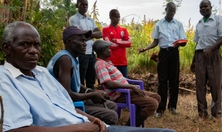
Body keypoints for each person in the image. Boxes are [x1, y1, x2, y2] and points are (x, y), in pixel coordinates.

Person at [0, 20, 176, 132]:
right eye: (25, 45)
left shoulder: (42, 73)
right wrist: (80, 126)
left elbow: (65, 103)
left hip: (88, 125)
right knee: (112, 110)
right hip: (76, 128)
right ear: (6, 48)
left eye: (37, 46)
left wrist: (92, 119)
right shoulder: (5, 79)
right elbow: (17, 128)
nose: (33, 51)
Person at [47, 26, 118, 125]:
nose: (85, 44)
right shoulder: (65, 59)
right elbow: (66, 94)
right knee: (111, 115)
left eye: (85, 41)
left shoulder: (71, 57)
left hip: (70, 100)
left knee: (111, 105)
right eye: (82, 40)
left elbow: (74, 84)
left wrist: (90, 91)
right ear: (70, 42)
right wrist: (92, 95)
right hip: (63, 105)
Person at [93, 40, 161, 127]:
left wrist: (132, 84)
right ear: (103, 51)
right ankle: (129, 127)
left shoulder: (107, 62)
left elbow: (120, 78)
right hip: (119, 94)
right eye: (108, 49)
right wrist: (131, 86)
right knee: (152, 104)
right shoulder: (100, 64)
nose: (110, 50)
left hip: (126, 91)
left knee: (156, 97)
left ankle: (136, 117)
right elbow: (108, 84)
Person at [139, 2, 187, 118]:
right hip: (163, 53)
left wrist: (182, 43)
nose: (172, 13)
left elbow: (183, 40)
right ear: (166, 9)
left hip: (174, 53)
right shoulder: (159, 25)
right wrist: (145, 48)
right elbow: (155, 42)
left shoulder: (178, 24)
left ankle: (172, 107)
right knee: (162, 81)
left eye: (174, 11)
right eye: (170, 10)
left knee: (174, 80)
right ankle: (160, 109)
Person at [190, 0, 222, 120]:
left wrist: (211, 48)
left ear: (211, 7)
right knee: (200, 85)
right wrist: (193, 61)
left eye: (205, 6)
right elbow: (197, 43)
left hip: (213, 54)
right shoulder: (199, 23)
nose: (203, 9)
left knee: (215, 84)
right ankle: (202, 114)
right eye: (201, 7)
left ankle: (216, 114)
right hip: (200, 56)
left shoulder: (218, 20)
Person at [69, 0, 102, 89]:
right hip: (82, 52)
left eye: (86, 5)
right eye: (82, 4)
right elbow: (78, 35)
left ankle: (92, 98)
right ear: (77, 5)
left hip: (92, 52)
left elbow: (99, 34)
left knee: (91, 78)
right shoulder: (74, 19)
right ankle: (82, 99)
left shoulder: (90, 20)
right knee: (81, 77)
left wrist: (86, 34)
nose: (84, 6)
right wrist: (91, 34)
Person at [102, 9, 131, 78]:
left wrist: (115, 40)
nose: (117, 19)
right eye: (115, 17)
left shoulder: (123, 30)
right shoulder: (105, 30)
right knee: (113, 82)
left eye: (118, 17)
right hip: (111, 62)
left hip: (122, 61)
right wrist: (122, 42)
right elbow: (110, 45)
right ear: (110, 17)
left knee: (124, 82)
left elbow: (129, 43)